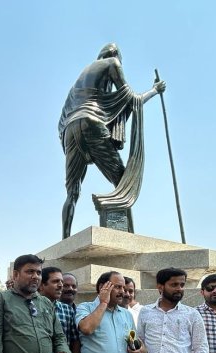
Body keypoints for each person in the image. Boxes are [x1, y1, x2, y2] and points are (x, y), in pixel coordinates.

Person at [58, 43, 165, 239]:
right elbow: (132, 99)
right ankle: (126, 236)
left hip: (70, 129)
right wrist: (154, 90)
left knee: (72, 192)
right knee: (122, 181)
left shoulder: (77, 83)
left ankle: (65, 239)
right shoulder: (112, 62)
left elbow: (62, 119)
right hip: (92, 123)